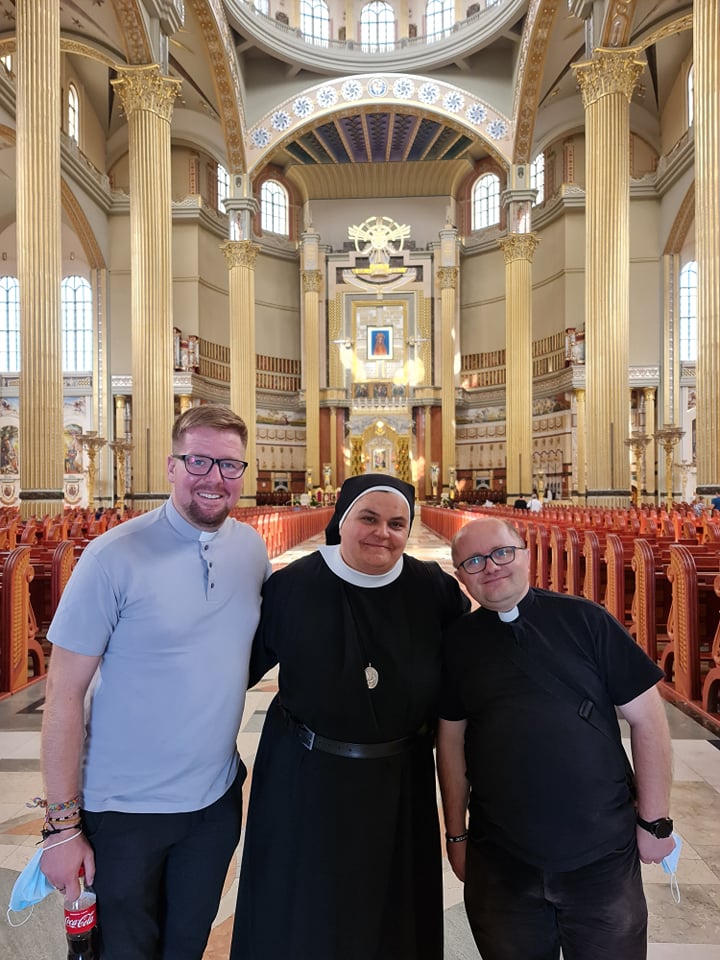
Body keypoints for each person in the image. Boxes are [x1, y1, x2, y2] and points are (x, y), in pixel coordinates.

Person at [39, 404, 271, 960]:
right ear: (171, 466)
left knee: (185, 946)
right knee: (122, 951)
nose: (215, 477)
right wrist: (62, 826)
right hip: (123, 810)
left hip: (213, 805)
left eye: (230, 465)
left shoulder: (250, 549)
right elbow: (63, 694)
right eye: (198, 461)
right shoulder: (112, 556)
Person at [231, 473, 470, 960]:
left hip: (400, 781)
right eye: (369, 518)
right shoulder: (292, 586)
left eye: (397, 523)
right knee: (302, 914)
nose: (383, 532)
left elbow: (469, 679)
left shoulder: (434, 589)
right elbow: (236, 672)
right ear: (342, 519)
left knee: (394, 917)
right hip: (304, 778)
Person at [437, 517, 675, 960]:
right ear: (461, 577)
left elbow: (649, 719)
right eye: (474, 561)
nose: (491, 566)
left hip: (601, 853)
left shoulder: (586, 620)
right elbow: (450, 741)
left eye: (502, 552)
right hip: (501, 860)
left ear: (526, 555)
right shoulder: (457, 643)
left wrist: (655, 822)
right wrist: (456, 836)